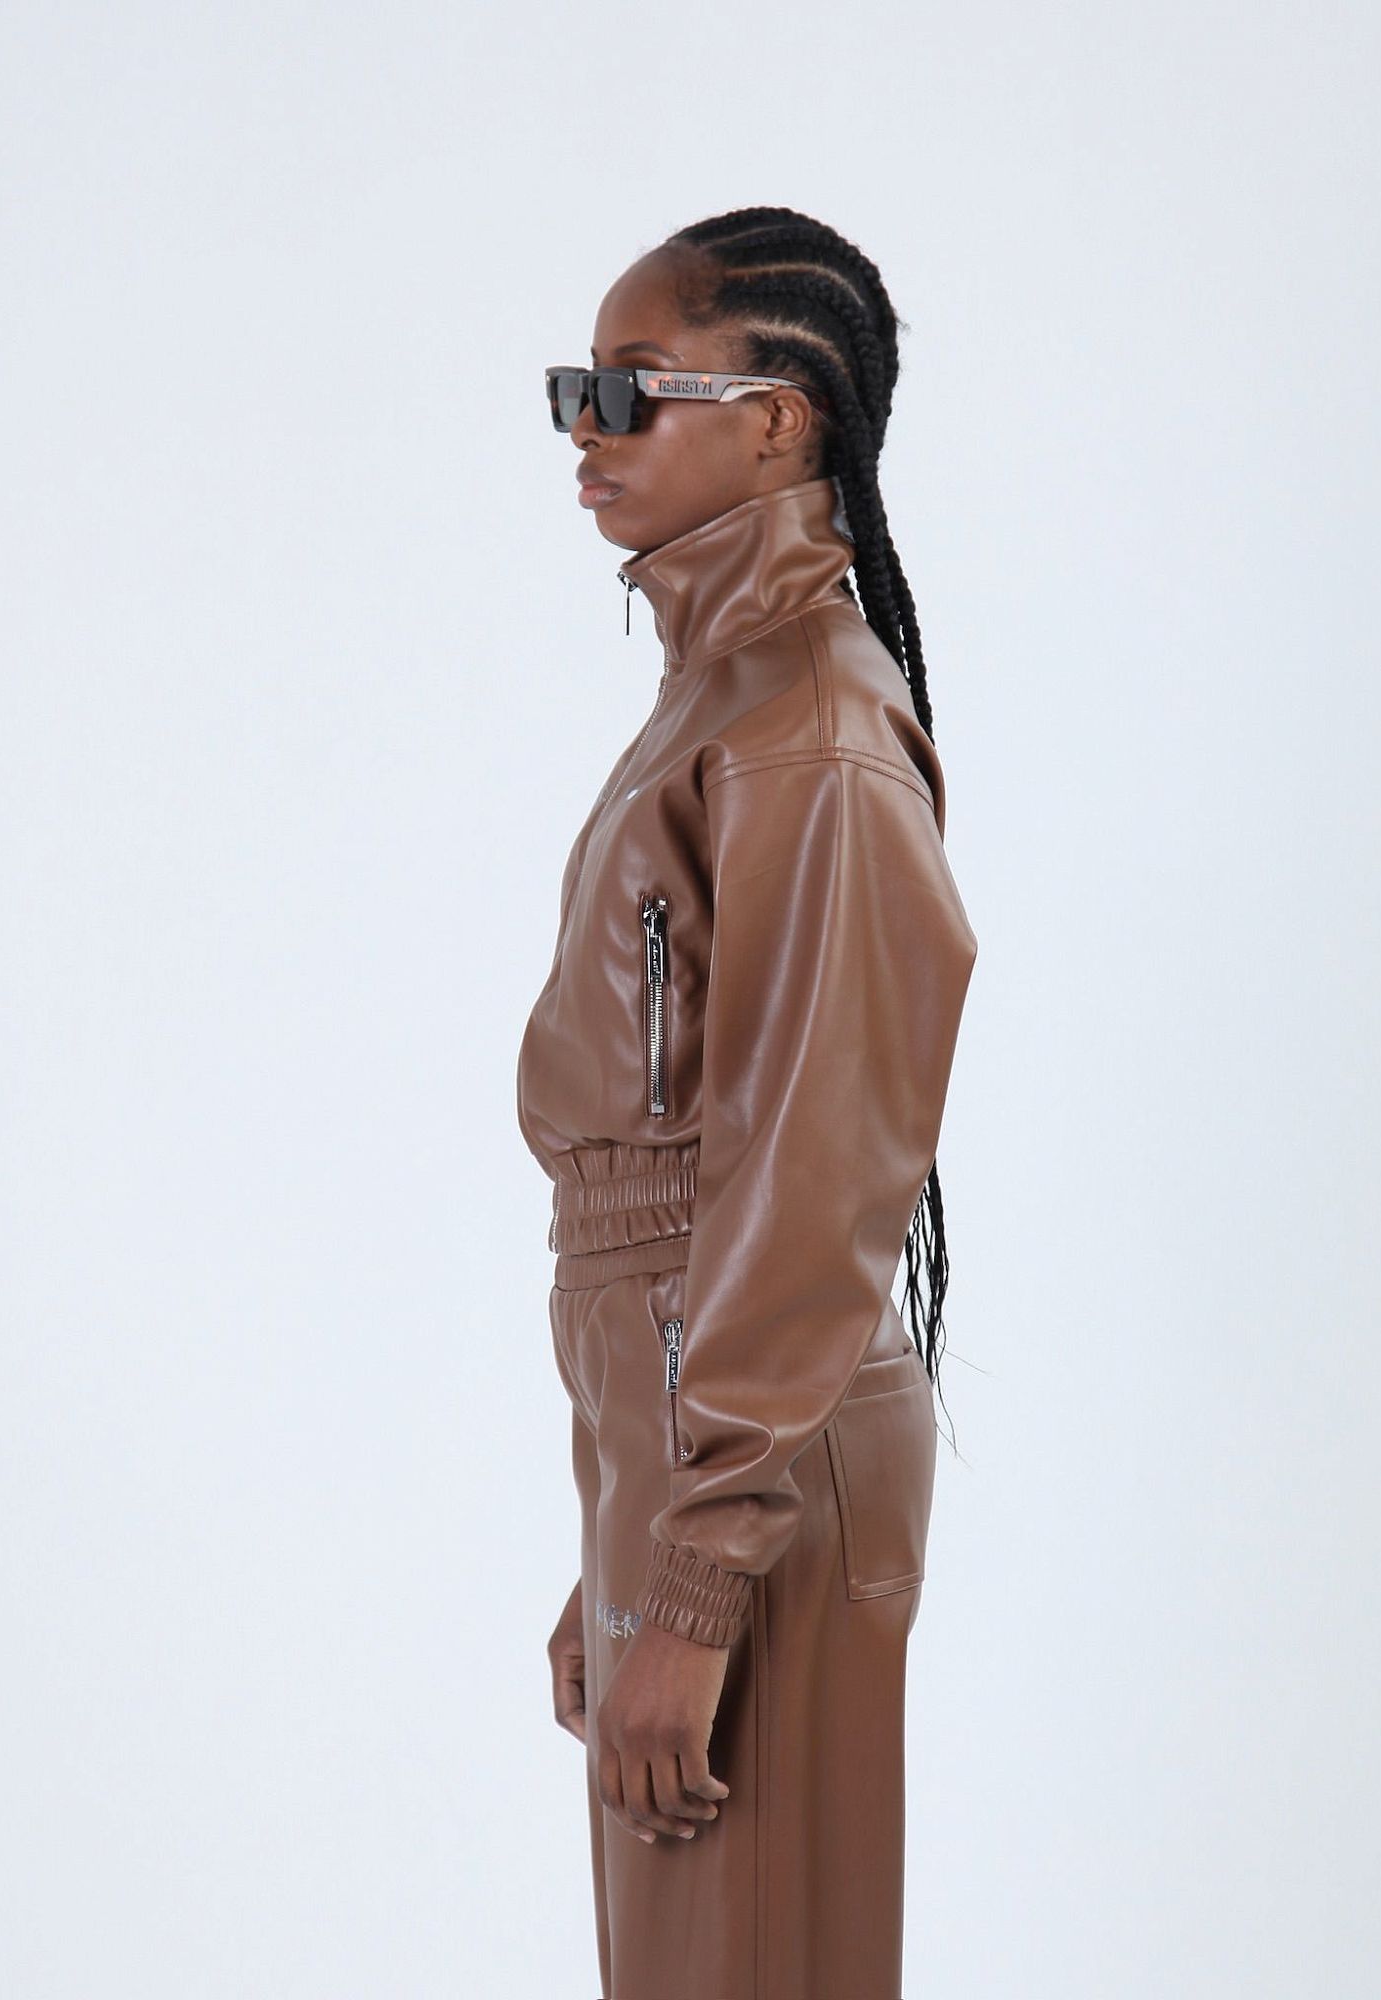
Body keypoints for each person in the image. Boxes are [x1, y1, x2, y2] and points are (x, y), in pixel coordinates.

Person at [515, 205, 979, 2000]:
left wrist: (699, 1574)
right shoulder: (722, 697)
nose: (588, 430)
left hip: (752, 1439)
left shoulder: (804, 724)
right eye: (575, 391)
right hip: (700, 1428)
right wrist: (628, 1538)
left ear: (779, 422)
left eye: (631, 391)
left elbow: (810, 1163)